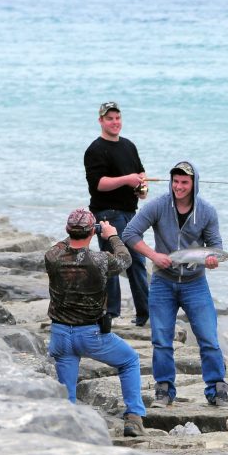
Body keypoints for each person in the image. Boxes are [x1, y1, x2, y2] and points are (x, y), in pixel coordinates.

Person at [122, 161, 228, 407]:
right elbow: (130, 233)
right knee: (161, 340)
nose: (178, 187)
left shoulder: (207, 211)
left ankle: (217, 389)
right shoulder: (158, 205)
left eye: (184, 182)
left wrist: (212, 260)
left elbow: (216, 247)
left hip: (195, 283)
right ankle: (164, 390)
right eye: (175, 182)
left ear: (194, 184)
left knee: (209, 339)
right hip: (162, 281)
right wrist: (153, 255)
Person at [44, 208, 147, 438]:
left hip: (60, 334)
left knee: (67, 393)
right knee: (130, 360)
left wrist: (81, 230)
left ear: (67, 231)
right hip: (91, 334)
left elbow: (64, 244)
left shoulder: (52, 256)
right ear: (92, 232)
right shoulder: (100, 261)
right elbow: (126, 259)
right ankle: (134, 418)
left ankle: (69, 431)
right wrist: (111, 235)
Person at [83, 101, 150, 327]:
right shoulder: (95, 149)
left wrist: (141, 186)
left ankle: (143, 313)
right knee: (116, 262)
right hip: (107, 214)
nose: (115, 122)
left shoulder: (129, 146)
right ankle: (112, 313)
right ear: (101, 121)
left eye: (117, 118)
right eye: (109, 118)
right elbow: (98, 184)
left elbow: (140, 173)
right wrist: (127, 179)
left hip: (132, 213)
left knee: (136, 262)